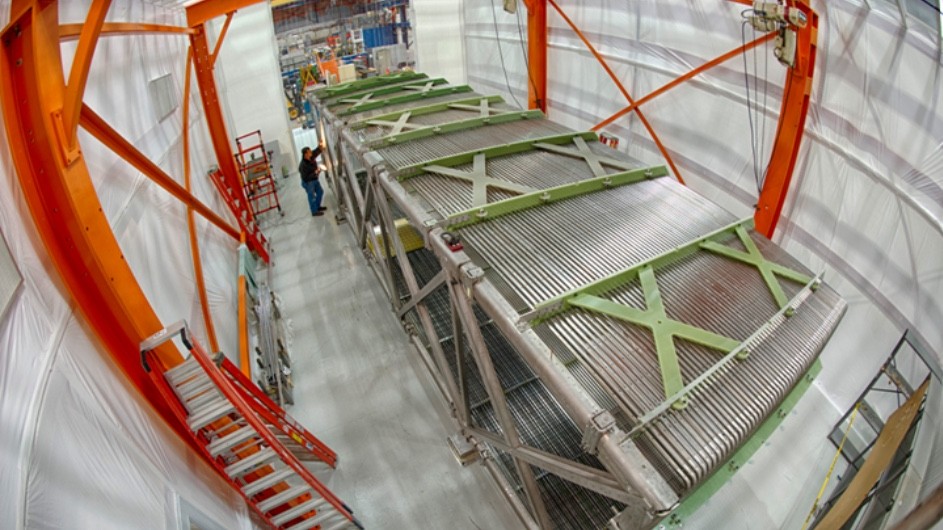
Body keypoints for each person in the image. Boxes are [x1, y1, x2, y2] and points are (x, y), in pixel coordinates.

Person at [299, 145, 326, 217]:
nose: (311, 153)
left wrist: (320, 147)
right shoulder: (303, 166)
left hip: (314, 179)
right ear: (305, 154)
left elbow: (315, 152)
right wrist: (315, 173)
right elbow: (305, 177)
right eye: (309, 152)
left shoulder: (310, 157)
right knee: (312, 196)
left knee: (320, 192)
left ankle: (317, 207)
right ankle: (314, 211)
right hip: (308, 182)